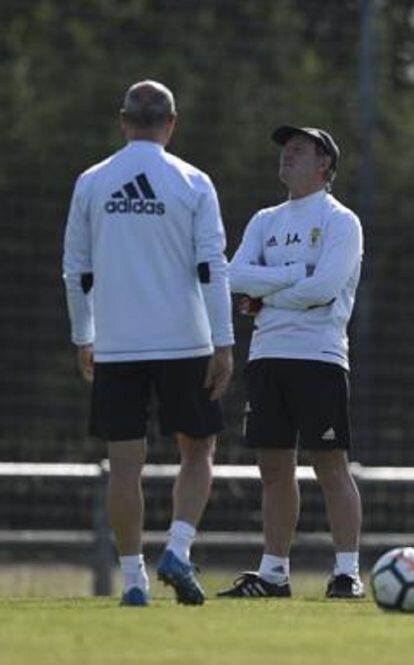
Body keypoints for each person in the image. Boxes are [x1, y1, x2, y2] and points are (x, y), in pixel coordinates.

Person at [61, 80, 234, 606]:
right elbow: (212, 267)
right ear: (171, 122)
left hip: (116, 343)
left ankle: (133, 580)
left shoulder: (92, 181)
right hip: (185, 341)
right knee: (199, 448)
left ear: (123, 120)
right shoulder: (193, 181)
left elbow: (76, 271)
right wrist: (223, 343)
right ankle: (177, 548)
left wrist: (82, 335)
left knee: (125, 463)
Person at [218, 125, 365, 599]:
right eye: (285, 149)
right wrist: (291, 276)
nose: (288, 155)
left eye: (300, 150)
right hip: (266, 355)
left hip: (319, 356)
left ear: (325, 164)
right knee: (274, 468)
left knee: (330, 463)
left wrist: (268, 292)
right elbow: (233, 275)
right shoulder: (264, 220)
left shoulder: (342, 221)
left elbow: (325, 289)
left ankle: (346, 572)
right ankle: (274, 573)